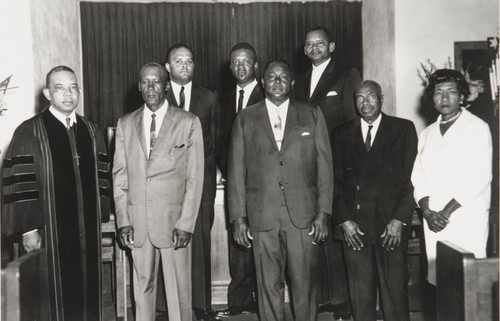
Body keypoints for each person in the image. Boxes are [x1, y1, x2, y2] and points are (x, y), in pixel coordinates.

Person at [228, 58, 333, 321]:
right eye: (271, 77)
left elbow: (325, 167)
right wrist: (238, 218)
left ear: (292, 82)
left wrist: (324, 212)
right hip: (262, 214)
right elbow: (236, 171)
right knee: (267, 286)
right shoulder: (245, 118)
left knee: (305, 284)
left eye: (283, 77)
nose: (277, 81)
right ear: (263, 82)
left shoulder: (311, 114)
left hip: (303, 216)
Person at [2, 65, 110, 321]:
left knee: (87, 292)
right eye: (60, 88)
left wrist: (101, 215)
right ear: (48, 94)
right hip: (48, 234)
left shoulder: (92, 131)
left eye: (73, 87)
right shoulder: (30, 132)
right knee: (50, 299)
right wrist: (28, 229)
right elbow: (20, 183)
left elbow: (102, 179)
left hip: (88, 232)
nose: (68, 94)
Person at [112, 62, 204, 321]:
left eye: (156, 82)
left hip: (174, 225)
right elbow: (120, 177)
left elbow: (194, 179)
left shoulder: (188, 122)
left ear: (166, 86)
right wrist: (124, 222)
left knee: (179, 295)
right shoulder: (125, 123)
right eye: (145, 82)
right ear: (139, 86)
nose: (150, 87)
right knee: (142, 293)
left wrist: (186, 223)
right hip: (138, 224)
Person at [331, 80, 417, 321]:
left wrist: (399, 218)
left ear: (381, 99)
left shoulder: (403, 129)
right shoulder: (340, 133)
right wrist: (345, 220)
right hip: (355, 228)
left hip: (390, 226)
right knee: (360, 299)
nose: (365, 102)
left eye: (371, 97)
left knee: (395, 298)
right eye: (359, 98)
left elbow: (413, 179)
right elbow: (334, 182)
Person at [411, 69, 492, 316]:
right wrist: (426, 211)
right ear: (431, 97)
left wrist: (444, 213)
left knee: (468, 285)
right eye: (438, 92)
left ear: (462, 96)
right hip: (434, 220)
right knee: (442, 288)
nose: (444, 98)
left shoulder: (477, 127)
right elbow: (418, 176)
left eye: (451, 92)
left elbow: (480, 176)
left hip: (464, 217)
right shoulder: (427, 133)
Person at [294, 26, 361, 319]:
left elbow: (354, 121)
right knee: (314, 231)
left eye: (320, 43)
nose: (314, 47)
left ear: (331, 46)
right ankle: (323, 296)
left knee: (339, 232)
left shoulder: (347, 74)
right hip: (306, 169)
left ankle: (343, 300)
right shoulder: (298, 81)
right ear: (304, 50)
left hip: (338, 164)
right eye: (309, 44)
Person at [165, 43, 221, 321]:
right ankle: (169, 306)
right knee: (168, 242)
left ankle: (202, 305)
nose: (184, 65)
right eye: (178, 61)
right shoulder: (157, 96)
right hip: (167, 186)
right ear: (168, 67)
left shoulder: (209, 98)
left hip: (202, 184)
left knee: (199, 244)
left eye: (189, 61)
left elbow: (217, 141)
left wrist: (219, 171)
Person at [215, 42, 264, 317]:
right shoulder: (222, 98)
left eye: (245, 62)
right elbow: (221, 142)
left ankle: (265, 299)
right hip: (236, 182)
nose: (240, 67)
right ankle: (240, 300)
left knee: (265, 242)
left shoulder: (268, 92)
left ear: (256, 65)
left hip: (263, 181)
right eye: (235, 62)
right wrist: (230, 171)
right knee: (239, 241)